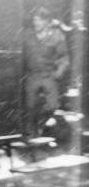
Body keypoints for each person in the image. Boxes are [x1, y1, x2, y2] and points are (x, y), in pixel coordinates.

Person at [23, 7, 70, 137]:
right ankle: (32, 133)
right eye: (34, 20)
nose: (36, 23)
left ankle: (41, 124)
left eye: (39, 20)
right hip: (32, 75)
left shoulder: (57, 36)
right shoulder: (27, 35)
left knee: (52, 106)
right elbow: (20, 54)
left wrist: (58, 73)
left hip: (49, 75)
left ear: (47, 22)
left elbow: (64, 58)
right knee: (30, 106)